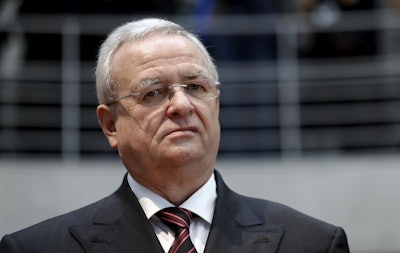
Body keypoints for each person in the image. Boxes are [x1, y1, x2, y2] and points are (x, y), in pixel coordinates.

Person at [0, 18, 349, 253]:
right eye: (153, 92)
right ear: (110, 125)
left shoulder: (314, 243)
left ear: (217, 105)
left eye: (196, 87)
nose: (182, 105)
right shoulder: (36, 247)